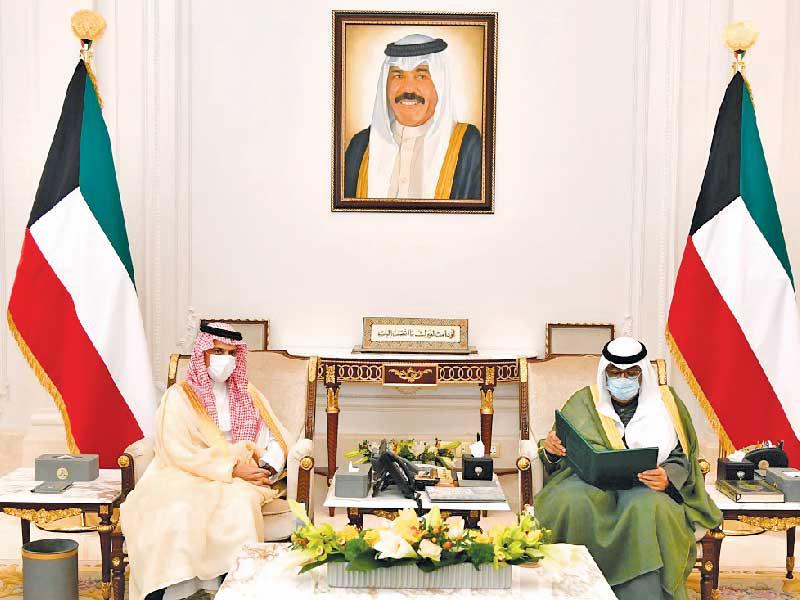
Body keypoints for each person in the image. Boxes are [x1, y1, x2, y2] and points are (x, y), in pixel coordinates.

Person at [534, 337, 722, 600]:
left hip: (646, 486)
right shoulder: (583, 402)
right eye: (615, 372)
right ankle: (575, 592)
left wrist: (667, 477)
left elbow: (683, 455)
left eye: (630, 373)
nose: (622, 379)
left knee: (647, 509)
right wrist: (551, 449)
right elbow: (559, 450)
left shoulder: (667, 405)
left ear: (643, 374)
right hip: (588, 483)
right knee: (571, 502)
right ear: (605, 373)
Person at [120, 322, 290, 600]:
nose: (226, 360)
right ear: (202, 353)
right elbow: (177, 450)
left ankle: (234, 589)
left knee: (240, 506)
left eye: (231, 353)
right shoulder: (180, 396)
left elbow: (276, 436)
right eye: (218, 352)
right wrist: (230, 468)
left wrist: (267, 466)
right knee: (178, 509)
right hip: (186, 472)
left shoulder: (248, 393)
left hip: (242, 478)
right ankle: (170, 591)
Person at [344, 34, 482, 200]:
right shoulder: (360, 147)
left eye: (421, 76)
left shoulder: (468, 145)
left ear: (439, 84)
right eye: (398, 76)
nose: (408, 89)